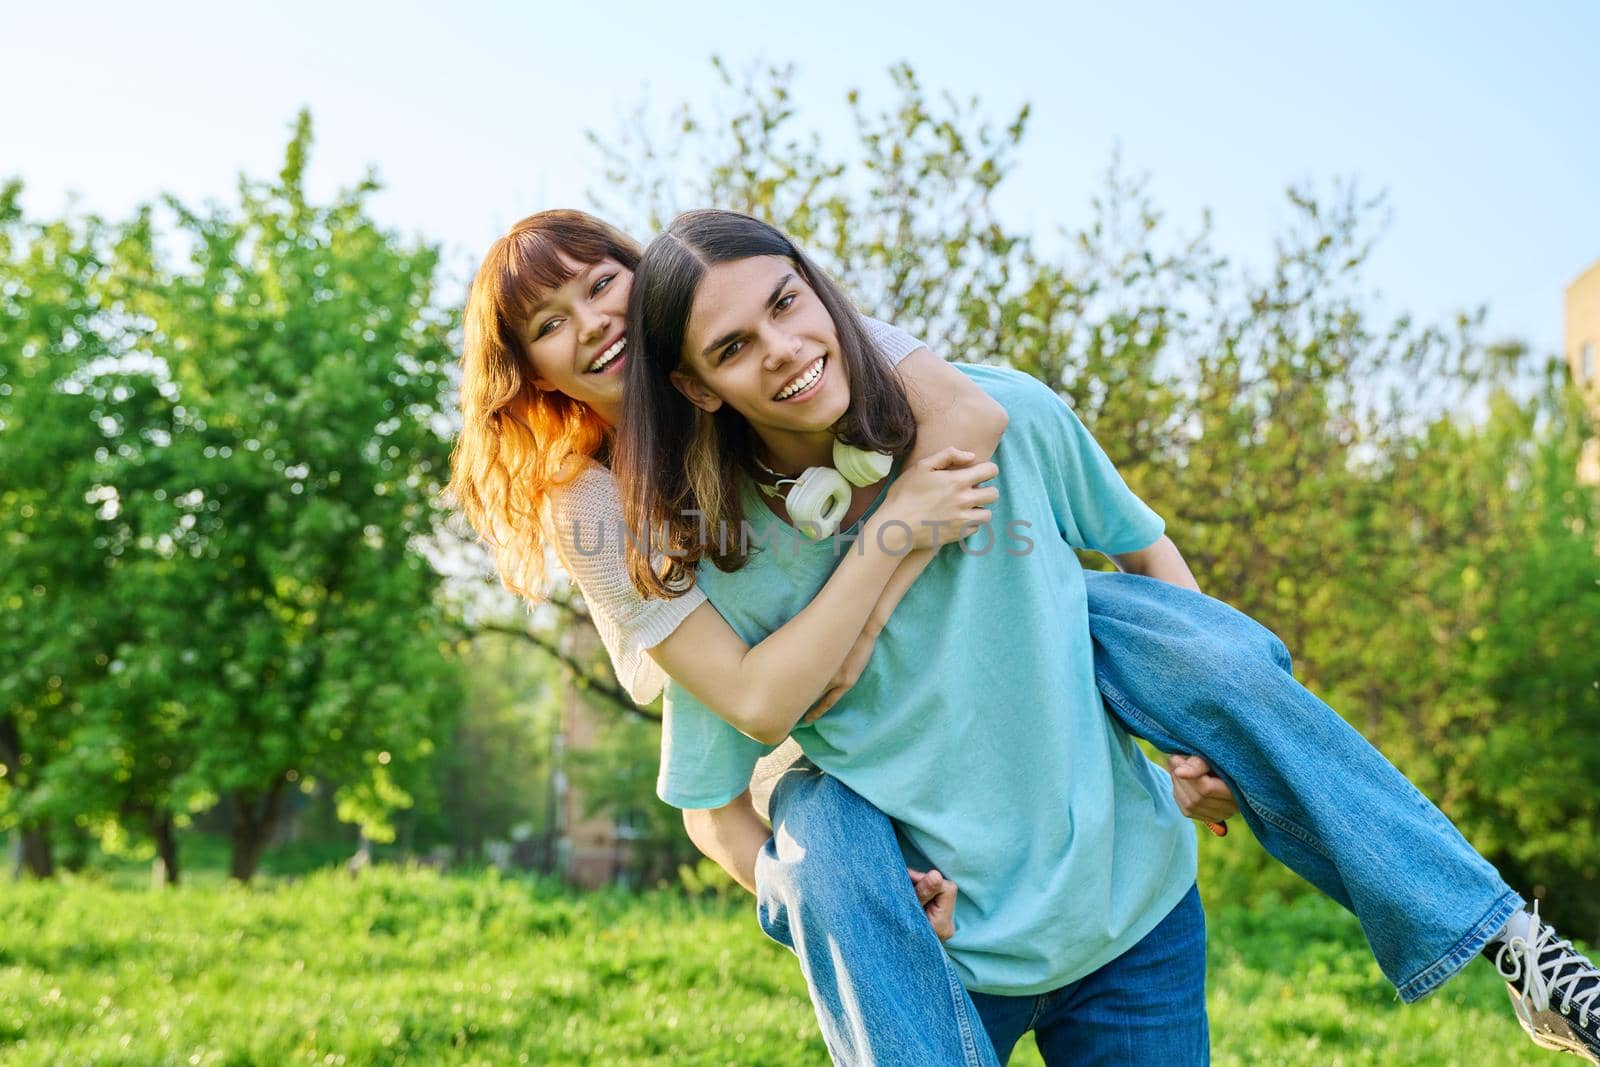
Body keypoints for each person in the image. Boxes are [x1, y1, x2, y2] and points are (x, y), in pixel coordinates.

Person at [448, 209, 1599, 1065]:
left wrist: (1204, 734)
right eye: (550, 324)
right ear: (693, 384)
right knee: (824, 840)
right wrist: (879, 570)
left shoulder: (910, 376)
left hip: (1122, 895)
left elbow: (1038, 461)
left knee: (1192, 644)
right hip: (916, 883)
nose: (592, 323)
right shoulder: (668, 541)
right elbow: (734, 743)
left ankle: (1511, 942)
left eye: (603, 286)